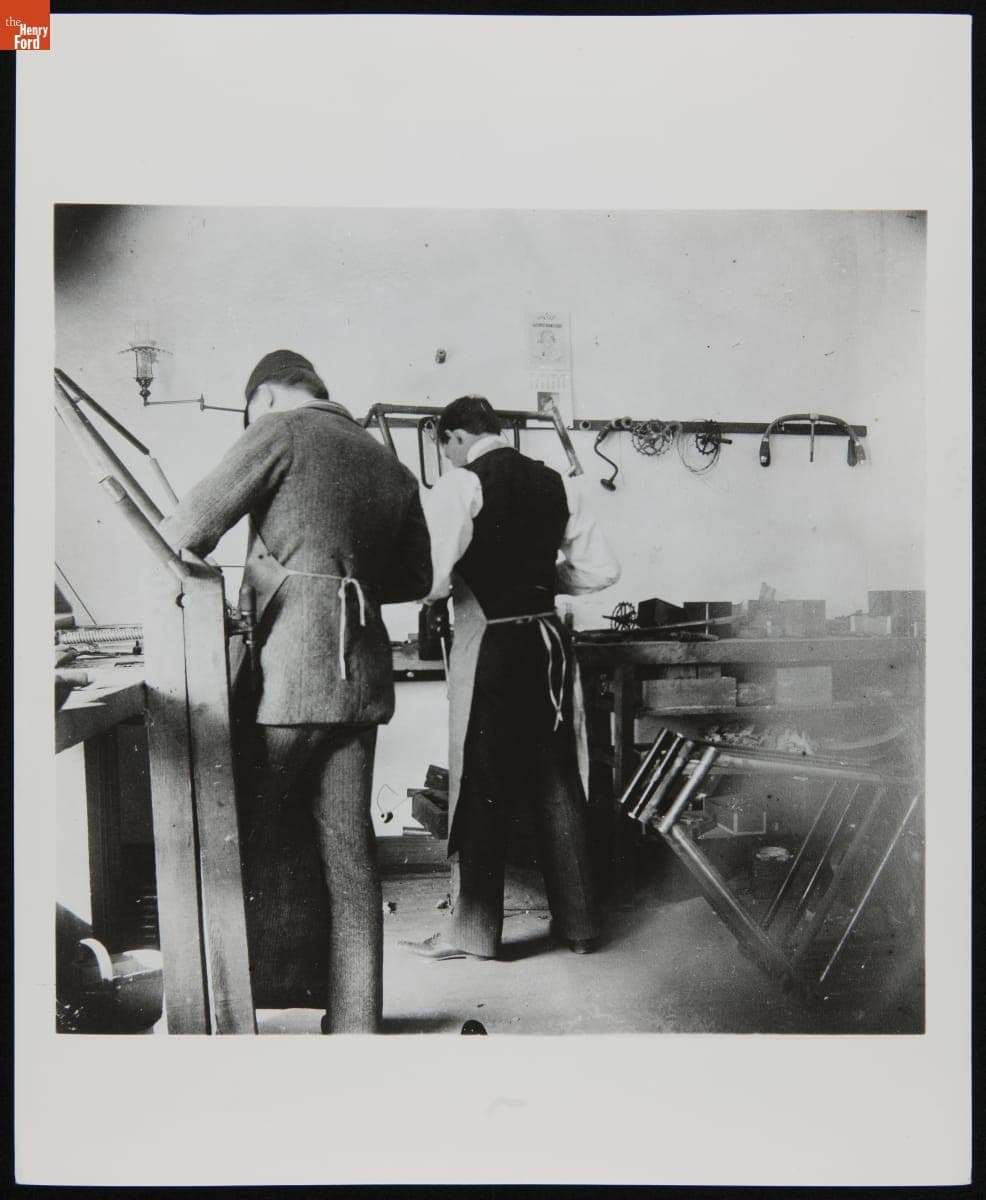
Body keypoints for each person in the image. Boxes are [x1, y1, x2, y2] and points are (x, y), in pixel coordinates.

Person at [158, 350, 431, 1032]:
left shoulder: (278, 431)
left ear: (267, 395)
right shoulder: (388, 461)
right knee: (350, 852)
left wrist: (287, 577)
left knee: (235, 837)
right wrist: (342, 574)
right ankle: (356, 1022)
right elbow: (416, 579)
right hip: (360, 678)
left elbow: (184, 530)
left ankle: (221, 1013)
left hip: (292, 674)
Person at [400, 395, 620, 962]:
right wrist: (539, 583)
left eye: (446, 449)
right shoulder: (559, 483)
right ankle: (581, 926)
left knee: (481, 784)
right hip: (547, 647)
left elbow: (433, 578)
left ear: (454, 437)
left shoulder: (461, 485)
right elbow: (601, 570)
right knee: (557, 778)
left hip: (492, 647)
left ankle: (475, 936)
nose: (449, 459)